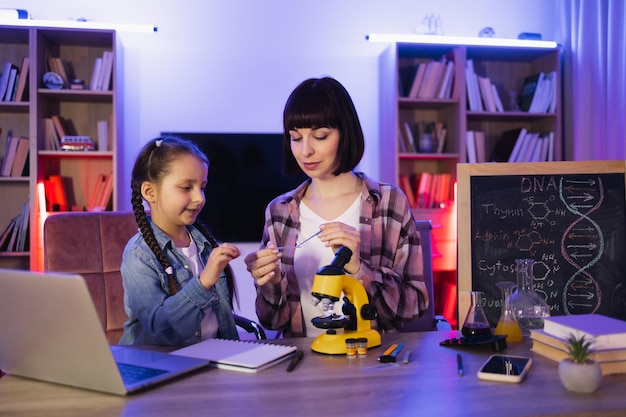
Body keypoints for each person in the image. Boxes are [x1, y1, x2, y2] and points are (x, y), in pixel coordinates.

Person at [244, 77, 429, 337]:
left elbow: (413, 306)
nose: (305, 151)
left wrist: (359, 269)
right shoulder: (279, 212)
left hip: (373, 362)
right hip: (303, 365)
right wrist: (271, 283)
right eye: (296, 138)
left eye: (320, 136)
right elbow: (272, 321)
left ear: (346, 132)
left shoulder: (388, 203)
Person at [119, 136, 241, 346]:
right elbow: (160, 329)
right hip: (161, 368)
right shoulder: (138, 255)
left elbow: (220, 321)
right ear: (150, 192)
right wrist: (203, 283)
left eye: (202, 187)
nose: (200, 198)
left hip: (212, 360)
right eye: (186, 187)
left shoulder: (204, 244)